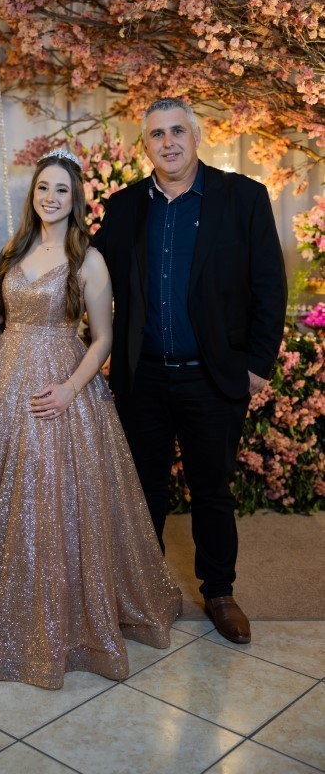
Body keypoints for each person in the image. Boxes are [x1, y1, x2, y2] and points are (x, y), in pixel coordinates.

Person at [0, 149, 182, 690]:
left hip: (61, 381)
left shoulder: (88, 259)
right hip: (1, 380)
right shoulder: (13, 251)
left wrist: (69, 389)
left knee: (54, 492)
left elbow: (103, 338)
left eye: (61, 189)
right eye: (43, 187)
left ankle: (53, 614)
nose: (50, 197)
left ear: (75, 199)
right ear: (33, 194)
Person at [94, 98, 287, 644]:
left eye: (177, 130)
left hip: (213, 375)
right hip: (143, 376)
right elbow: (86, 270)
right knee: (144, 492)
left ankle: (219, 593)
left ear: (196, 136)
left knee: (212, 491)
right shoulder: (124, 206)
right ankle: (146, 591)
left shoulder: (243, 197)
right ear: (146, 146)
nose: (169, 142)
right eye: (157, 134)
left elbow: (269, 284)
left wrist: (257, 365)